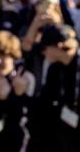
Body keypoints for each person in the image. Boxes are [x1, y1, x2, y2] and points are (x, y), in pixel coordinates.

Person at [28, 23, 79, 151]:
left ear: (58, 46)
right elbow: (45, 102)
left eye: (45, 49)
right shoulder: (56, 68)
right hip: (64, 133)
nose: (44, 54)